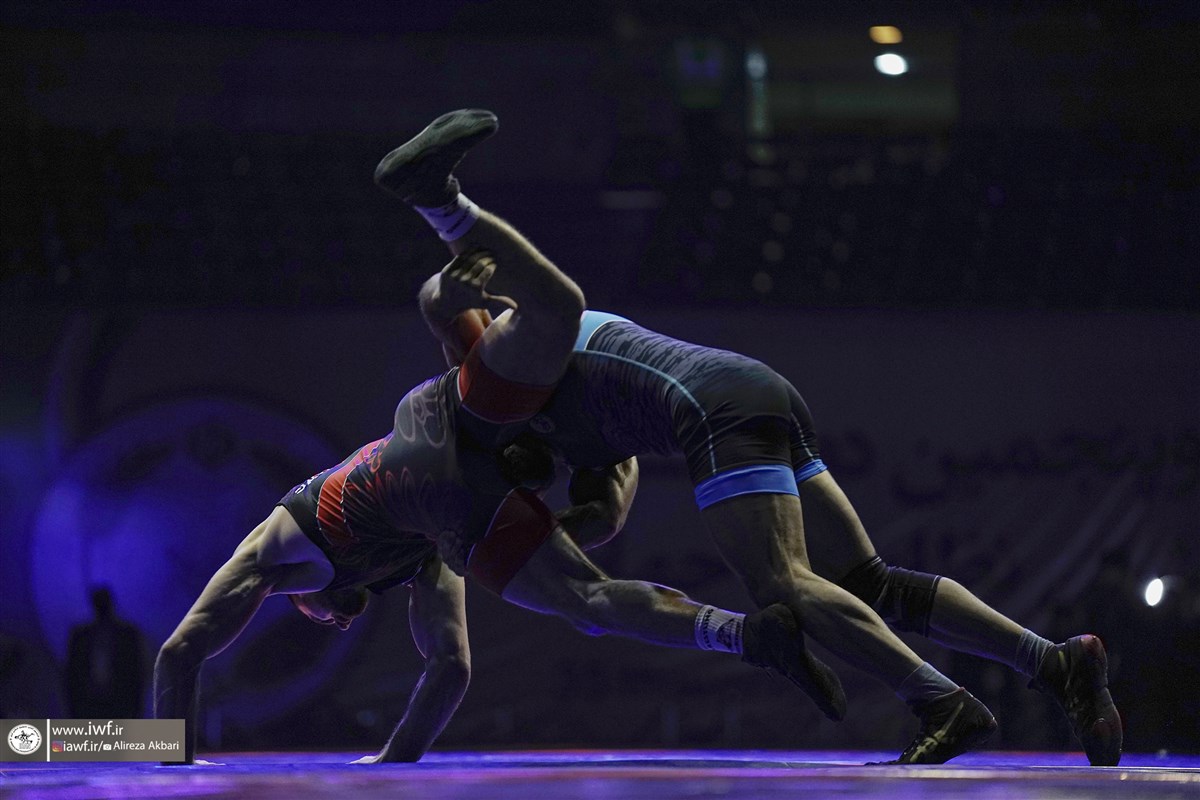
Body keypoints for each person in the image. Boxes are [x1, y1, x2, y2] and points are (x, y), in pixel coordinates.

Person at [398, 111, 1123, 766]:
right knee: (866, 582)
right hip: (755, 390)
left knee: (783, 584)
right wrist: (511, 537)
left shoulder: (507, 371)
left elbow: (449, 303)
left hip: (715, 407)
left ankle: (940, 702)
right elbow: (596, 528)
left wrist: (450, 242)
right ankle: (1052, 661)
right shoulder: (595, 462)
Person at [153, 110, 844, 765]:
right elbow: (450, 666)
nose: (332, 621)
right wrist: (390, 761)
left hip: (437, 439)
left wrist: (160, 758)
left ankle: (445, 225)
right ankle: (748, 635)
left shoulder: (280, 545)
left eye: (311, 613)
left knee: (499, 328)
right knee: (589, 581)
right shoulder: (419, 557)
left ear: (290, 594)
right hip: (462, 475)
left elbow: (179, 652)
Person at [65, 586, 146, 719]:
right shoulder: (81, 636)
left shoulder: (127, 635)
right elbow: (72, 675)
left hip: (119, 705)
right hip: (90, 705)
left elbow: (136, 673)